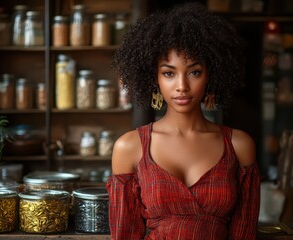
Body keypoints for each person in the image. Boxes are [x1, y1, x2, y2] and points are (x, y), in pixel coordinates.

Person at [106, 2, 260, 240]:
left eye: (194, 72)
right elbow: (125, 234)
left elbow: (244, 233)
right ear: (154, 78)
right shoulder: (129, 147)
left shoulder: (239, 146)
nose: (182, 86)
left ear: (211, 75)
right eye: (169, 73)